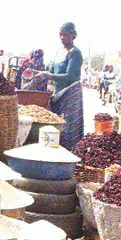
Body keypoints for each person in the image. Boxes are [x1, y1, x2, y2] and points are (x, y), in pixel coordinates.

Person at [35, 22, 83, 150]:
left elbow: (70, 76)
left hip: (70, 94)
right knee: (55, 126)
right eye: (60, 35)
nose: (62, 37)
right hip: (58, 94)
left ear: (73, 36)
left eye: (65, 35)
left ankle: (70, 154)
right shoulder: (58, 52)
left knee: (68, 128)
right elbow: (51, 70)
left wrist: (49, 76)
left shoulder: (75, 53)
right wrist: (41, 75)